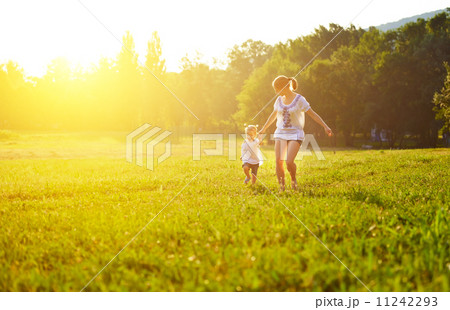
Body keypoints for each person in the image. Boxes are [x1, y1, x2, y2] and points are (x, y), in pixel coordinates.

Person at [259, 75, 332, 191]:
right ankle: (282, 188)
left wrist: (325, 126)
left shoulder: (299, 99)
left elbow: (312, 114)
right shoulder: (279, 100)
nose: (275, 92)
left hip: (295, 133)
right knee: (278, 161)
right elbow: (273, 115)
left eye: (276, 89)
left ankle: (293, 179)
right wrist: (263, 129)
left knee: (289, 162)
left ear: (284, 87)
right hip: (280, 133)